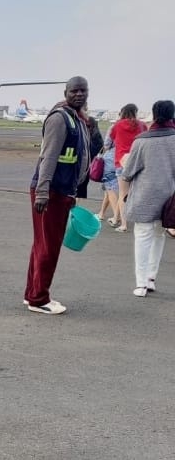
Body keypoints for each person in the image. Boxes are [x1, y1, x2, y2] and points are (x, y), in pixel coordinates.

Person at [24, 76, 92, 314]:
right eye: (74, 91)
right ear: (66, 93)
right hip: (51, 191)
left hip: (63, 190)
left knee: (42, 245)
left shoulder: (78, 119)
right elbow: (49, 156)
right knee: (48, 247)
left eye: (83, 91)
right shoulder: (60, 119)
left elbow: (81, 158)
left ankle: (32, 293)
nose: (79, 94)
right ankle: (39, 300)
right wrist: (43, 192)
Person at [118, 98, 175, 297]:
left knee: (143, 238)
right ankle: (151, 278)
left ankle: (141, 283)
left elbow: (128, 172)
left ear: (154, 114)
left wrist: (125, 161)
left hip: (144, 198)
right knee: (159, 236)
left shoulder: (142, 140)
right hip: (169, 199)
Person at [107, 104, 147, 231]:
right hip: (138, 162)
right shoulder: (142, 125)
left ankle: (123, 224)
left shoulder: (117, 125)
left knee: (122, 194)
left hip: (122, 162)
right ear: (135, 112)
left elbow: (111, 139)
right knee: (136, 193)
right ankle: (127, 220)